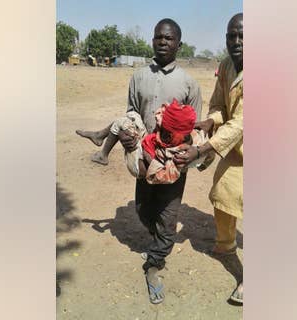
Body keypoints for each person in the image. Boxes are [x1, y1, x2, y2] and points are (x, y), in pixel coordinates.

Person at [109, 18, 203, 304]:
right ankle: (156, 238)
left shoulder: (189, 82)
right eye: (158, 38)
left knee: (167, 217)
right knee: (142, 209)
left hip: (173, 163)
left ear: (178, 43)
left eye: (169, 38)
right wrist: (128, 137)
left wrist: (187, 153)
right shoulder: (138, 76)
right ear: (152, 40)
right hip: (143, 156)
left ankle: (153, 265)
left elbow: (195, 127)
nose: (163, 42)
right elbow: (131, 114)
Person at [174, 12, 244, 304]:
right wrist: (208, 122)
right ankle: (226, 245)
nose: (237, 41)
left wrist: (203, 149)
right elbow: (219, 106)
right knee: (222, 193)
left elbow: (242, 122)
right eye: (231, 36)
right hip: (238, 149)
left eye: (243, 35)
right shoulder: (227, 65)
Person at [76, 99, 213, 183]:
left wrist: (146, 153)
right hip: (145, 145)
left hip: (138, 165)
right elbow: (164, 115)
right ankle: (100, 137)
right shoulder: (184, 135)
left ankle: (103, 154)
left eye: (167, 131)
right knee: (132, 115)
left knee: (121, 123)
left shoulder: (180, 153)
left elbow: (161, 175)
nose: (162, 132)